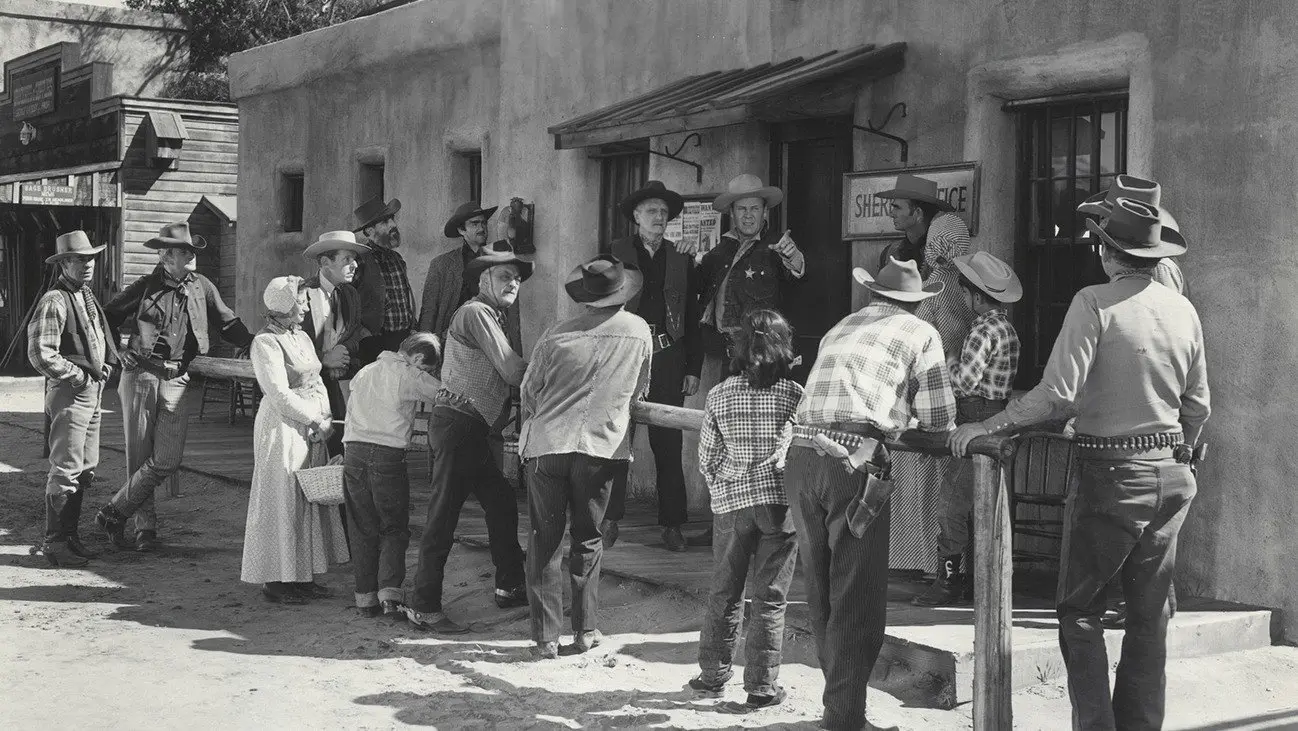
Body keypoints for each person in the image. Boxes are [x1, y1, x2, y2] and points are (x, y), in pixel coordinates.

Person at [950, 198, 1209, 731]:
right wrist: (1180, 450)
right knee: (1149, 617)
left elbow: (1057, 395)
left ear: (1107, 253)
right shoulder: (1183, 310)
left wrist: (990, 425)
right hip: (1171, 474)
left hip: (1110, 474)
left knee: (1080, 612)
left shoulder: (1093, 301)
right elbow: (1198, 406)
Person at [788, 257, 956, 731]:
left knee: (821, 586)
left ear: (874, 294)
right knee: (857, 592)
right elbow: (940, 418)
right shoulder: (921, 333)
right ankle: (844, 718)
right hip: (854, 456)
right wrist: (905, 420)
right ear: (917, 302)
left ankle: (838, 706)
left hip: (802, 453)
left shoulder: (842, 326)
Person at [520, 254, 652, 659]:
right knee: (588, 538)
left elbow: (529, 391)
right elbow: (640, 390)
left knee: (545, 540)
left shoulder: (556, 334)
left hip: (547, 444)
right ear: (622, 292)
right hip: (601, 447)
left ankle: (546, 638)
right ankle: (585, 631)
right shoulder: (639, 331)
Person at [96, 222, 254, 553]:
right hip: (140, 376)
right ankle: (145, 528)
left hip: (177, 380)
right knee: (139, 457)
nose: (189, 256)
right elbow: (106, 316)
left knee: (168, 459)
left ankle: (114, 511)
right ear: (165, 256)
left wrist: (255, 343)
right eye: (181, 251)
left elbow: (227, 322)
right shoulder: (144, 286)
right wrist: (118, 351)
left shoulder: (202, 287)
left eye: (188, 251)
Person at [407, 245, 530, 633]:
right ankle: (424, 606)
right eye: (504, 276)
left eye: (517, 278)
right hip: (458, 426)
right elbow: (512, 371)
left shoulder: (492, 314)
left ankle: (510, 585)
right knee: (443, 517)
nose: (513, 283)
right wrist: (557, 365)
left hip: (470, 429)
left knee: (502, 502)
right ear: (483, 280)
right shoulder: (476, 312)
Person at [690, 308, 803, 712]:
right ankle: (761, 687)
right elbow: (798, 449)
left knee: (724, 591)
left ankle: (711, 676)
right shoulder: (794, 394)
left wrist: (724, 487)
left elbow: (707, 457)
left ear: (738, 347)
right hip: (778, 504)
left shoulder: (720, 394)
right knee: (770, 598)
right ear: (784, 347)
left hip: (732, 505)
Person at [694, 173, 806, 548]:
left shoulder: (777, 249)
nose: (747, 215)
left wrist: (795, 259)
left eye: (754, 209)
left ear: (764, 212)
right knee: (726, 438)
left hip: (765, 357)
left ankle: (769, 520)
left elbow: (798, 274)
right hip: (727, 355)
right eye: (741, 209)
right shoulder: (717, 254)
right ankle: (725, 518)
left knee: (767, 438)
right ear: (732, 213)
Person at [874, 173, 976, 575]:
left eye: (898, 207)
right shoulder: (962, 283)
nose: (891, 213)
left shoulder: (940, 285)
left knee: (931, 483)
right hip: (943, 384)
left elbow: (935, 338)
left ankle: (928, 563)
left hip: (930, 386)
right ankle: (936, 563)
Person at [913, 251, 1022, 607]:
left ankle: (948, 581)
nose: (962, 299)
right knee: (982, 503)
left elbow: (964, 382)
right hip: (996, 414)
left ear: (976, 296)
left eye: (964, 293)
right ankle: (979, 579)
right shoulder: (1007, 328)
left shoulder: (981, 330)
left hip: (975, 416)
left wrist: (949, 360)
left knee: (951, 502)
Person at [239, 276, 349, 604]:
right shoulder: (266, 343)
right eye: (299, 302)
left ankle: (302, 575)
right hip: (282, 426)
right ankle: (276, 581)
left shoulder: (301, 336)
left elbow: (317, 380)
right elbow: (279, 394)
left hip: (311, 426)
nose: (304, 307)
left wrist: (325, 417)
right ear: (283, 304)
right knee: (283, 498)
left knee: (306, 500)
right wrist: (313, 418)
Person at [607, 181, 703, 552]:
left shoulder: (680, 257)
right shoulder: (615, 253)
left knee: (668, 439)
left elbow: (692, 315)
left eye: (663, 212)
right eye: (651, 211)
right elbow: (599, 304)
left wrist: (692, 367)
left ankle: (673, 525)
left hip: (667, 356)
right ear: (636, 216)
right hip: (624, 355)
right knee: (617, 436)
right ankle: (608, 518)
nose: (658, 217)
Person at [28, 231, 119, 567]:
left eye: (90, 258)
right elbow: (40, 353)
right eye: (80, 259)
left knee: (84, 468)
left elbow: (96, 341)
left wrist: (104, 367)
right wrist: (78, 375)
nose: (88, 264)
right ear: (64, 263)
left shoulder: (86, 296)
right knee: (66, 468)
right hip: (71, 391)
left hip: (91, 392)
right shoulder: (55, 299)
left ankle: (69, 537)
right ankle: (55, 543)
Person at [343, 332, 444, 619]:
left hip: (353, 452)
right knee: (393, 527)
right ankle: (389, 596)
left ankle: (365, 598)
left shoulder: (365, 372)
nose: (425, 372)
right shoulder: (409, 375)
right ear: (418, 358)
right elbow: (444, 395)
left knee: (362, 527)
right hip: (388, 455)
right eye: (426, 368)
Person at [302, 230, 372, 457]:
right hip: (309, 386)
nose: (355, 265)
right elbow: (293, 344)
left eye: (355, 259)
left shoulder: (350, 294)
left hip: (341, 381)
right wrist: (324, 359)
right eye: (347, 259)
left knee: (341, 440)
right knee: (312, 447)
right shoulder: (302, 293)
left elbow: (355, 332)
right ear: (325, 262)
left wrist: (344, 348)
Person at [352, 195, 416, 364]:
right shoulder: (359, 260)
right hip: (375, 343)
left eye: (392, 219)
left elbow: (404, 299)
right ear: (369, 231)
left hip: (403, 341)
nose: (393, 224)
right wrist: (362, 333)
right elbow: (346, 302)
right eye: (385, 222)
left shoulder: (397, 259)